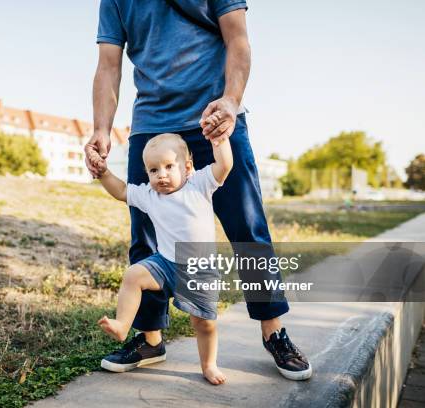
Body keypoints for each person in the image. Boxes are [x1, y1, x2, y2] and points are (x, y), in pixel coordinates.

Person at [85, 0, 312, 381]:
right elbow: (109, 64)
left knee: (248, 229)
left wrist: (231, 101)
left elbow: (237, 39)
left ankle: (275, 333)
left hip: (215, 118)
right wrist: (101, 128)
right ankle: (150, 338)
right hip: (152, 127)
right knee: (145, 238)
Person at [90, 129, 232, 384]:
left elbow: (225, 164)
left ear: (187, 167)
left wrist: (219, 140)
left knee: (204, 324)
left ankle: (209, 365)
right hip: (165, 264)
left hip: (199, 270)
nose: (161, 175)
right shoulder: (150, 195)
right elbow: (122, 191)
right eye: (154, 170)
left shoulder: (199, 184)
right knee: (134, 274)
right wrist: (103, 173)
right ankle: (123, 325)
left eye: (168, 166)